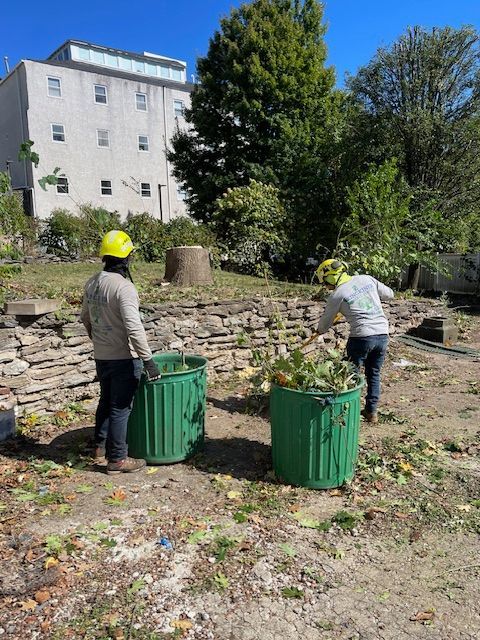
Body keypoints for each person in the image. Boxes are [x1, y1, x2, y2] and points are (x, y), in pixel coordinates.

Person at [80, 230, 161, 474]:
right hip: (124, 358)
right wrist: (148, 361)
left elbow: (85, 317)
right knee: (120, 407)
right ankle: (117, 459)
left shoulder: (92, 282)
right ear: (126, 258)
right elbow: (133, 327)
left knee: (106, 400)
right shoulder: (123, 288)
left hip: (102, 356)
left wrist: (97, 339)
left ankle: (99, 448)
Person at [315, 259, 394, 424]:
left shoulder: (337, 295)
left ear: (330, 277)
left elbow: (324, 324)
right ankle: (372, 412)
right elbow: (390, 294)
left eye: (325, 282)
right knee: (374, 373)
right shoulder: (366, 279)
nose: (325, 286)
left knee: (351, 375)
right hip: (382, 334)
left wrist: (319, 331)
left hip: (361, 337)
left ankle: (349, 412)